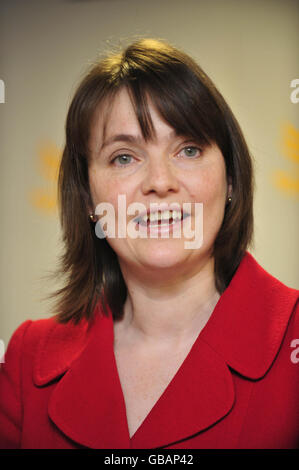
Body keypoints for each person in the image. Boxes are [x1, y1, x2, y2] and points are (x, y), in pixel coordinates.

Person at [0, 38, 298, 450]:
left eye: (188, 149)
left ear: (231, 180)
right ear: (87, 197)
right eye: (124, 157)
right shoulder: (26, 360)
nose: (160, 182)